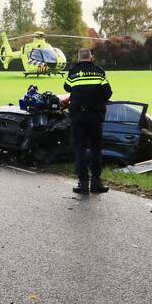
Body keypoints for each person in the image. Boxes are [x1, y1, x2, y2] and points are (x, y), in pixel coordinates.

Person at [63, 49, 112, 195]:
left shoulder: (73, 73)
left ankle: (82, 184)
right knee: (96, 149)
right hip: (95, 116)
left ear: (78, 59)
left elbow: (66, 87)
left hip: (78, 116)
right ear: (91, 58)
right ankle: (96, 183)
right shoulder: (99, 72)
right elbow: (108, 93)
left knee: (80, 149)